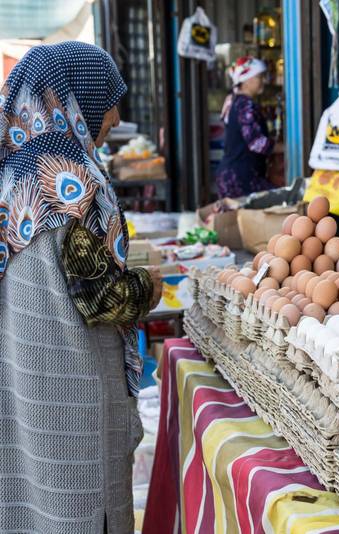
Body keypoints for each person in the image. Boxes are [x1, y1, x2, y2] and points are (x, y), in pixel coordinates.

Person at [0, 42, 161, 532]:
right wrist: (148, 286)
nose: (114, 117)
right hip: (72, 385)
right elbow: (102, 299)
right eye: (108, 102)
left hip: (25, 379)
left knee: (33, 502)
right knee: (82, 506)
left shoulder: (12, 173)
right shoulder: (66, 179)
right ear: (75, 96)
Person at [215, 56, 274, 198]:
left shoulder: (234, 101)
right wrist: (284, 147)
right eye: (259, 77)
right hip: (241, 178)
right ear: (246, 80)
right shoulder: (245, 105)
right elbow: (256, 143)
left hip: (232, 175)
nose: (263, 81)